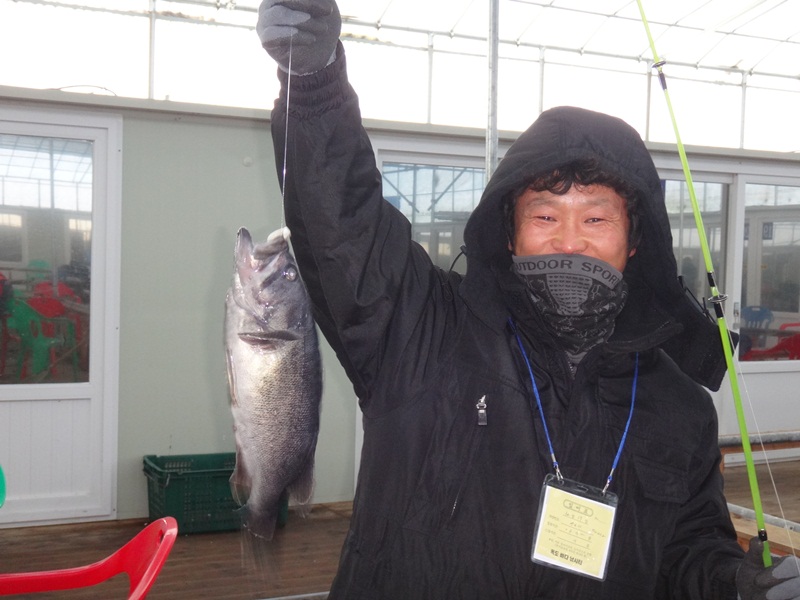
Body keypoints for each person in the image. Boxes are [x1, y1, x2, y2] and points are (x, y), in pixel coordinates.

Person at [256, 1, 800, 598]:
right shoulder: (421, 329)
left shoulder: (679, 406)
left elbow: (689, 550)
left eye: (596, 218)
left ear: (634, 242)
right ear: (510, 234)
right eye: (545, 215)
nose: (569, 239)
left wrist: (739, 583)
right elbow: (343, 230)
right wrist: (315, 85)